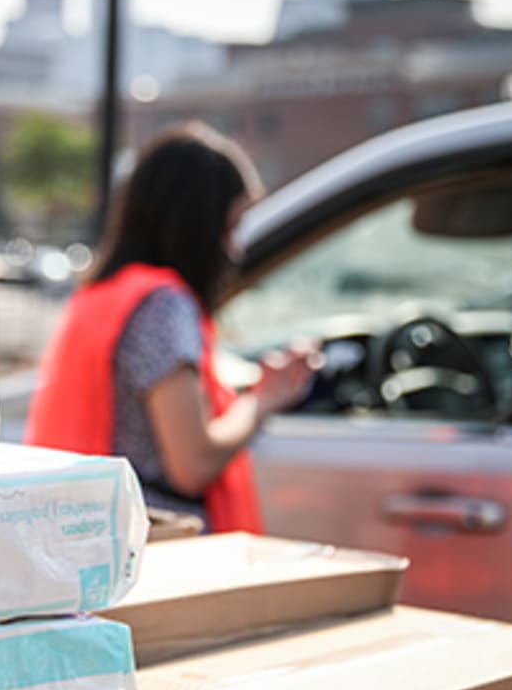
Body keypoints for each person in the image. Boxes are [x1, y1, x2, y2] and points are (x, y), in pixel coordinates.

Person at [25, 123, 314, 534]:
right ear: (196, 224)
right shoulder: (162, 306)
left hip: (91, 538)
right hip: (156, 547)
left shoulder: (102, 296)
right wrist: (264, 400)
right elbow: (192, 464)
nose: (235, 249)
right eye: (230, 227)